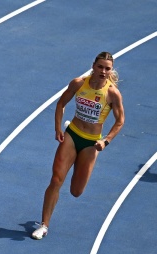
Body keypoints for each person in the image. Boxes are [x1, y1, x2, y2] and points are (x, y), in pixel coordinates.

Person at [32, 52, 125, 240]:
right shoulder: (79, 83)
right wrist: (58, 128)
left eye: (107, 68)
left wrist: (105, 141)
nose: (103, 71)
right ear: (93, 66)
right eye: (100, 67)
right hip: (72, 135)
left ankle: (82, 162)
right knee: (56, 179)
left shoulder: (112, 93)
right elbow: (61, 104)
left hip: (91, 143)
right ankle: (44, 225)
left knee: (76, 191)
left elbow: (120, 121)